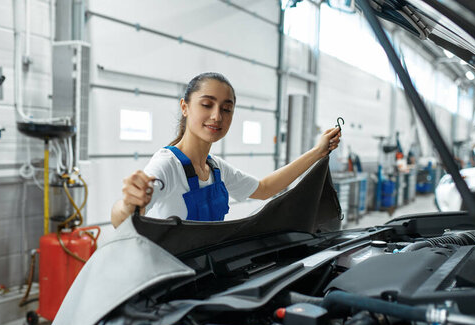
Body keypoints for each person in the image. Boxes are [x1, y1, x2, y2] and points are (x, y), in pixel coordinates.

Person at [111, 72, 341, 227]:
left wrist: (318, 152)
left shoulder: (215, 169)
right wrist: (129, 204)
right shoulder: (167, 165)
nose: (217, 116)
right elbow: (121, 220)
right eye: (206, 104)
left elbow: (264, 188)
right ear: (185, 107)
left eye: (226, 108)